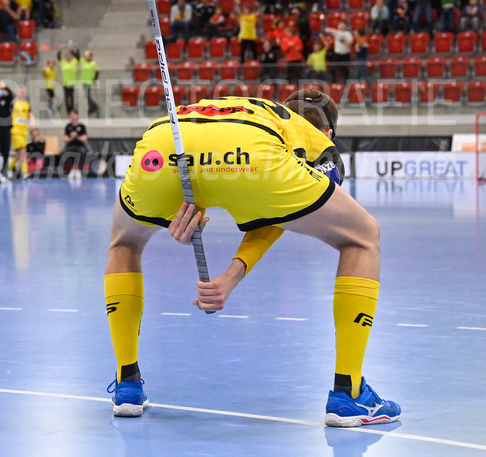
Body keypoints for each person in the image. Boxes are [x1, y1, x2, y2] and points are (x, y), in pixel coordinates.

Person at [104, 89, 400, 427]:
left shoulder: (254, 109)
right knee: (363, 237)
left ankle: (127, 383)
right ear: (329, 132)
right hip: (250, 155)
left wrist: (192, 216)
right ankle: (350, 392)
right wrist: (233, 272)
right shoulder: (313, 139)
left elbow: (204, 150)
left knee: (123, 242)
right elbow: (284, 213)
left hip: (163, 141)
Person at [62, 109, 89, 180]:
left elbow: (84, 138)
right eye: (71, 115)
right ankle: (72, 170)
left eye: (74, 114)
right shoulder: (68, 127)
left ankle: (77, 170)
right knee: (64, 153)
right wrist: (71, 137)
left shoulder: (82, 126)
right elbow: (65, 139)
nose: (73, 116)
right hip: (70, 146)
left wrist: (77, 136)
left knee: (82, 153)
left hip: (80, 146)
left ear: (77, 116)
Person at [58, 46, 79, 115]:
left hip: (72, 82)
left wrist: (73, 50)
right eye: (67, 56)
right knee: (67, 96)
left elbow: (78, 57)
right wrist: (60, 50)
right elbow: (58, 57)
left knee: (71, 96)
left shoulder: (73, 62)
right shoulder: (63, 63)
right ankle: (68, 109)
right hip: (65, 82)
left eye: (69, 56)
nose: (68, 58)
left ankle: (72, 108)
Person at [79, 50, 100, 117]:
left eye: (87, 56)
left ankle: (94, 106)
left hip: (89, 81)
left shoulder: (93, 63)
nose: (86, 57)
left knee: (88, 95)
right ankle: (91, 106)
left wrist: (95, 78)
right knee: (86, 95)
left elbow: (97, 71)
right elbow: (78, 57)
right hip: (84, 80)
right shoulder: (83, 62)